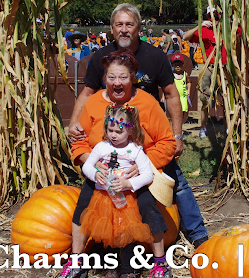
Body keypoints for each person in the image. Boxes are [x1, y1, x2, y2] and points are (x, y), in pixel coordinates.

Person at [68, 3, 208, 249]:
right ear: (111, 29)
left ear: (138, 28)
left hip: (149, 140)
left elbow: (172, 95)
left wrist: (176, 135)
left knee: (178, 183)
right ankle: (106, 246)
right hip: (112, 144)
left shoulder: (155, 57)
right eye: (119, 25)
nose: (124, 30)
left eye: (129, 25)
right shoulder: (101, 58)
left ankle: (197, 233)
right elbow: (87, 93)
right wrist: (74, 124)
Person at [66, 52, 174, 278]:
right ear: (104, 77)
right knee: (84, 207)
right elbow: (80, 142)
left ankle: (158, 263)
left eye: (123, 77)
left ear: (133, 77)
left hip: (136, 175)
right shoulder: (94, 102)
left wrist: (142, 166)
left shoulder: (147, 102)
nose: (117, 83)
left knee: (145, 209)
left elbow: (167, 141)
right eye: (112, 77)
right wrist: (93, 167)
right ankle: (76, 261)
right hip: (101, 175)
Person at [59, 103, 165, 278]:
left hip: (125, 197)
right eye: (110, 130)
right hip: (103, 197)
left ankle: (128, 269)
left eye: (118, 132)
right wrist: (95, 175)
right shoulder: (102, 147)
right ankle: (110, 267)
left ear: (130, 131)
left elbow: (147, 175)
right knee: (108, 233)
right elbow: (87, 166)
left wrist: (128, 184)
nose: (113, 135)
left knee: (125, 232)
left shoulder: (136, 150)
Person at [182, 9, 227, 140]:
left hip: (224, 68)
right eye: (211, 16)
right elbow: (185, 37)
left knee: (226, 99)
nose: (214, 18)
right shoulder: (205, 31)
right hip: (209, 67)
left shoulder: (226, 29)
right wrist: (200, 25)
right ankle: (203, 128)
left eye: (216, 16)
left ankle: (228, 127)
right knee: (205, 99)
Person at [170, 54, 190, 127]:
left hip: (183, 97)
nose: (178, 66)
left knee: (182, 114)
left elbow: (188, 82)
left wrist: (188, 91)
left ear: (183, 65)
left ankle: (179, 128)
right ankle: (174, 128)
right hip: (174, 98)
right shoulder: (171, 75)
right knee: (174, 114)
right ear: (172, 65)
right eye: (175, 64)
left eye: (179, 64)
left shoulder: (185, 74)